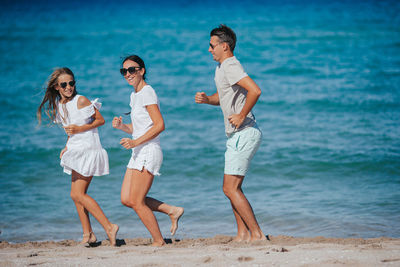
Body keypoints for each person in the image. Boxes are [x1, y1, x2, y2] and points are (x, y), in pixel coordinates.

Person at [195, 25, 267, 242]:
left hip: (244, 131)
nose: (209, 50)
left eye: (211, 45)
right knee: (232, 188)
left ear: (224, 46)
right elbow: (226, 96)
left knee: (229, 188)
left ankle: (257, 235)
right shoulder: (221, 68)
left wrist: (242, 114)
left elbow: (255, 90)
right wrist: (209, 99)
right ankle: (242, 234)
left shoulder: (230, 65)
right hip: (237, 134)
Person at [37, 67, 119, 246]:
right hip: (75, 150)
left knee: (78, 194)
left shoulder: (80, 100)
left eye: (71, 83)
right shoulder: (61, 104)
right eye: (64, 84)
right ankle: (88, 234)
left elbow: (100, 120)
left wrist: (79, 129)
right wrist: (67, 146)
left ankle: (109, 226)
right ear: (57, 87)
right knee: (76, 195)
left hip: (88, 149)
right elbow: (69, 129)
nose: (68, 87)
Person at [112, 55, 184, 247]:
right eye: (124, 71)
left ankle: (158, 240)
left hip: (149, 150)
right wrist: (122, 127)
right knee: (127, 199)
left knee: (136, 201)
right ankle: (171, 210)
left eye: (132, 69)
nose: (128, 74)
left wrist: (135, 142)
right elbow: (139, 127)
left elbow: (160, 125)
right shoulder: (134, 95)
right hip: (138, 150)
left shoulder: (148, 92)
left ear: (142, 71)